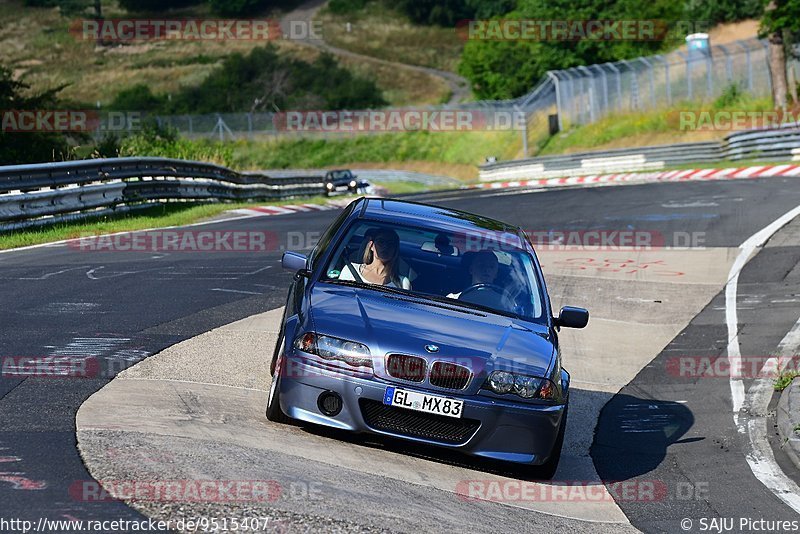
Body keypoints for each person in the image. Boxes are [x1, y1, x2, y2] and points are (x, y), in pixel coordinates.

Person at [338, 228, 412, 290]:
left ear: (395, 249)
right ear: (371, 245)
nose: (385, 246)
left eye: (391, 243)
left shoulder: (402, 283)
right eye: (381, 242)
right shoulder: (349, 271)